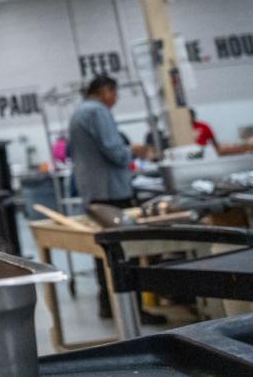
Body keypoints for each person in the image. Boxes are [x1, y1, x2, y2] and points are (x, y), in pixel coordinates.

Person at [67, 75, 164, 324]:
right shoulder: (97, 111)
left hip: (94, 190)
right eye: (114, 93)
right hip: (111, 191)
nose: (115, 99)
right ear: (105, 91)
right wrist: (133, 151)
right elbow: (114, 151)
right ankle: (133, 309)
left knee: (105, 251)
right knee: (125, 251)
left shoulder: (79, 113)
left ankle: (108, 304)